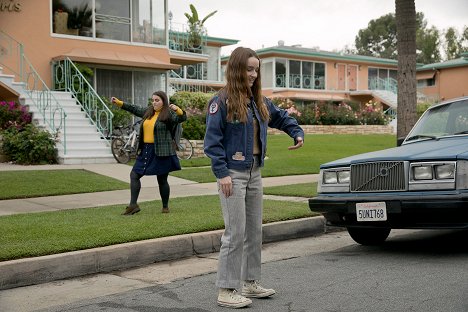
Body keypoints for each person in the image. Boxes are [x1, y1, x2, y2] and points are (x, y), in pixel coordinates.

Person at [204, 47, 304, 309]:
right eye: (249, 69)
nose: (254, 74)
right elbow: (212, 143)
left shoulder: (258, 100)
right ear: (237, 69)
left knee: (253, 232)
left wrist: (296, 132)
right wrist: (222, 174)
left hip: (255, 172)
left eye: (256, 69)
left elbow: (281, 117)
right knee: (234, 233)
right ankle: (226, 290)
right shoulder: (221, 101)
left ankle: (250, 282)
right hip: (232, 176)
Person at [111, 91, 186, 215]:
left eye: (157, 100)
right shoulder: (149, 112)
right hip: (146, 149)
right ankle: (133, 205)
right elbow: (135, 108)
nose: (154, 102)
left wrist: (178, 110)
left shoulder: (168, 114)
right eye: (153, 100)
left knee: (162, 179)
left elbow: (182, 118)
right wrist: (119, 103)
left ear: (164, 101)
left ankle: (165, 206)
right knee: (134, 174)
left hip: (162, 151)